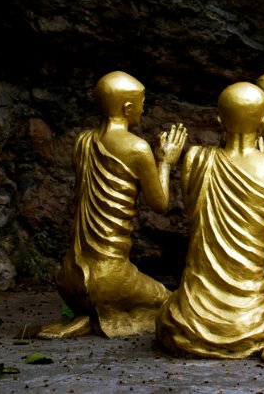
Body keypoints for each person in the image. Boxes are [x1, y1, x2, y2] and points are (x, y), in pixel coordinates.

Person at [156, 82, 264, 362]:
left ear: (219, 119)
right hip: (250, 318)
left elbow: (193, 216)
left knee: (165, 314)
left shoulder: (196, 159)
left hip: (191, 318)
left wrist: (165, 162)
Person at [38, 71, 186, 338]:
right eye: (142, 102)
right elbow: (160, 203)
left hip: (70, 277)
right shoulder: (137, 148)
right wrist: (165, 161)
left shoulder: (82, 142)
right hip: (110, 276)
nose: (144, 108)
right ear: (128, 108)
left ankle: (93, 316)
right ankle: (106, 317)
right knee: (174, 303)